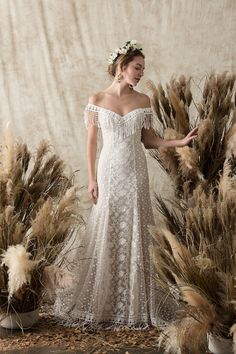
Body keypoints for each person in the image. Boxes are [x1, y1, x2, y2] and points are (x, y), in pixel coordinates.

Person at [54, 40, 197, 330]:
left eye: (143, 69)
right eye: (137, 67)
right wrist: (92, 179)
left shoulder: (143, 101)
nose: (141, 73)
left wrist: (178, 142)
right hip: (109, 171)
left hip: (134, 172)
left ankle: (134, 303)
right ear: (122, 66)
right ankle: (103, 301)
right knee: (107, 228)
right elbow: (92, 142)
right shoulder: (96, 99)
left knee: (134, 228)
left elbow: (148, 140)